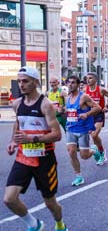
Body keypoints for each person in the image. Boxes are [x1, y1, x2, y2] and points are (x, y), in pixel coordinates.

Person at [4, 66, 68, 231]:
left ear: (36, 82)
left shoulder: (45, 105)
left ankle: (60, 225)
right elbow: (18, 124)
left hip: (44, 160)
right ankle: (34, 224)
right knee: (9, 199)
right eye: (19, 81)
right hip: (23, 157)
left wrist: (31, 138)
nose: (21, 84)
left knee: (50, 203)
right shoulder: (17, 104)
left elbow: (57, 135)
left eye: (25, 81)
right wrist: (13, 141)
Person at [66, 75, 102, 186]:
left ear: (77, 85)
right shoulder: (66, 98)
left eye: (73, 83)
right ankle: (79, 176)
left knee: (84, 156)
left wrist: (86, 114)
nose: (70, 85)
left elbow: (98, 108)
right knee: (71, 152)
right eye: (69, 82)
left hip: (82, 130)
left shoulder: (84, 97)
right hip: (71, 128)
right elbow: (69, 112)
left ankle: (94, 150)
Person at [85, 72, 108, 165]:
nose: (88, 80)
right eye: (87, 78)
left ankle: (102, 152)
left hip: (99, 114)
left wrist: (107, 106)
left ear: (96, 80)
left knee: (94, 135)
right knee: (93, 136)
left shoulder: (101, 90)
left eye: (90, 78)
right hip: (89, 115)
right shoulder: (85, 90)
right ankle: (100, 150)